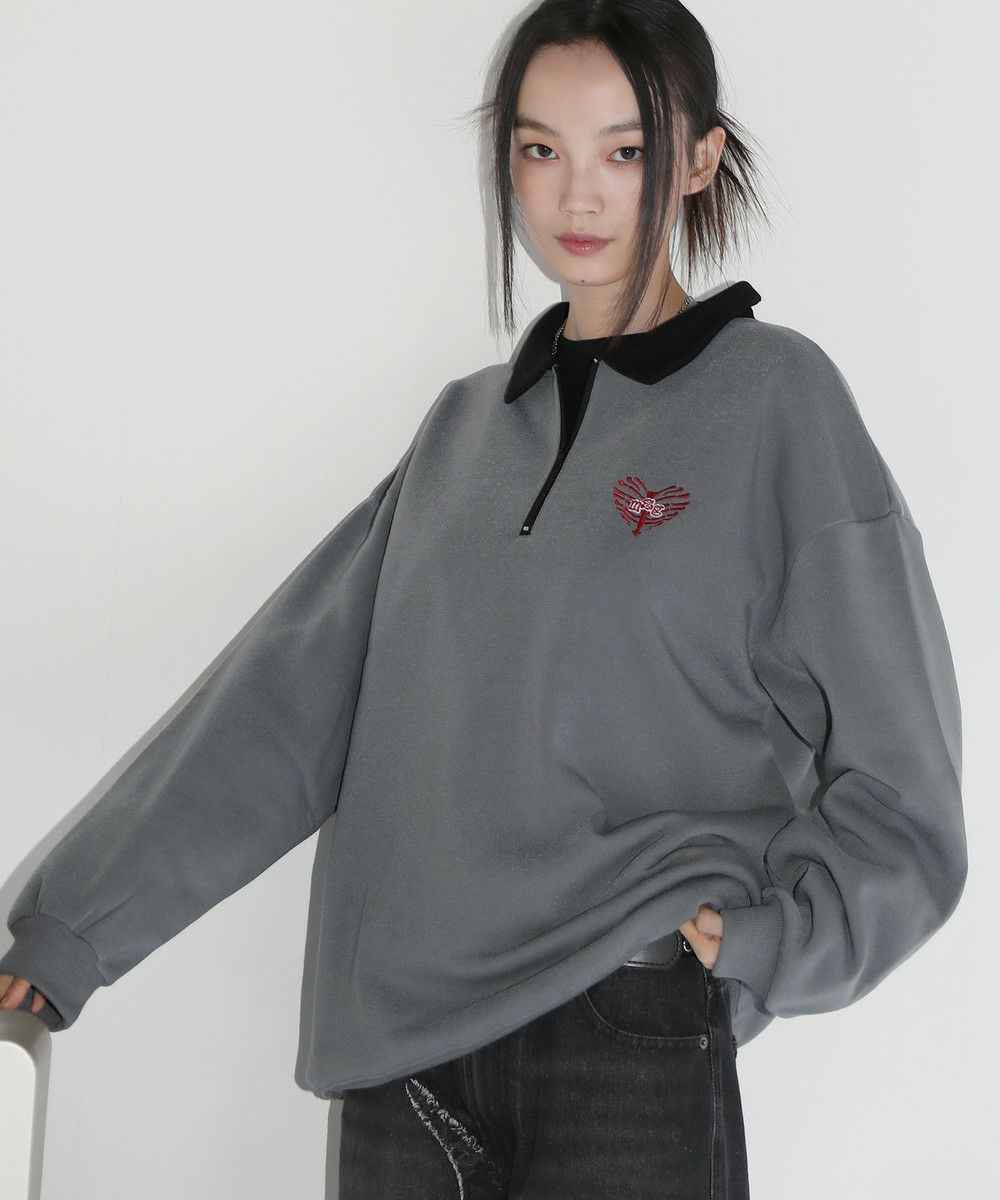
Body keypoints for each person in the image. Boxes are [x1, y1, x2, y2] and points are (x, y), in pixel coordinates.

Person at [1, 2, 968, 1197]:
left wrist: (772, 938)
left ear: (699, 159)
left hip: (627, 1030)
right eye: (538, 148)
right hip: (403, 1060)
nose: (576, 193)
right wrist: (72, 930)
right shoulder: (462, 433)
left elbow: (902, 780)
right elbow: (283, 706)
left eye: (624, 150)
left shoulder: (779, 402)